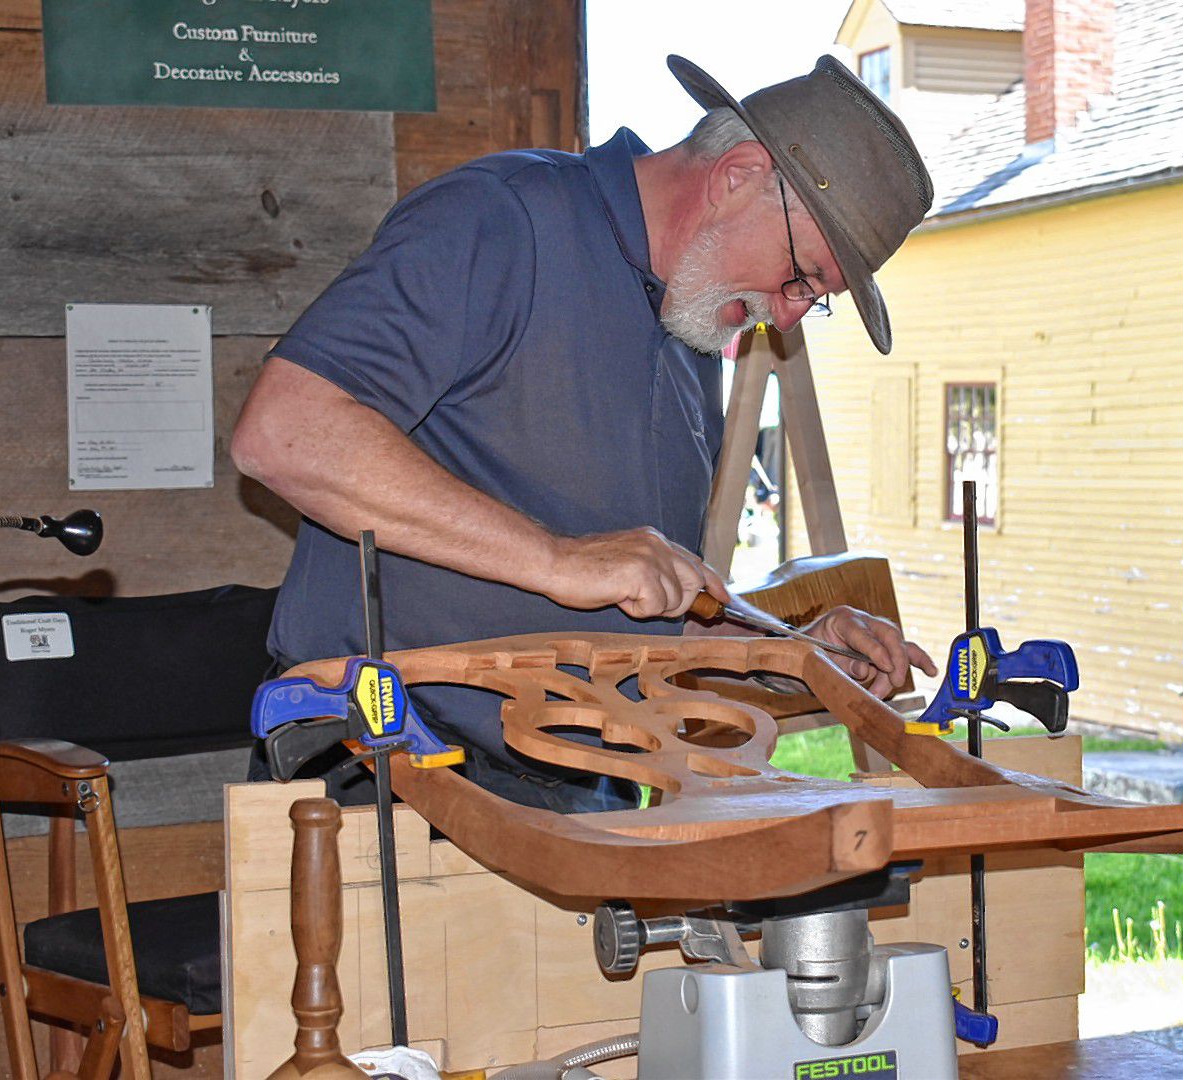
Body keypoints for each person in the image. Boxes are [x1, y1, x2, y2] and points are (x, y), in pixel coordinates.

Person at [231, 55, 938, 811]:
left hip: (582, 791)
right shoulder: (501, 219)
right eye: (803, 275)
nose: (790, 315)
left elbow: (637, 619)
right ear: (736, 176)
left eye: (815, 298)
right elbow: (284, 432)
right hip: (387, 772)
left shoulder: (693, 330)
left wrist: (787, 658)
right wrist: (556, 559)